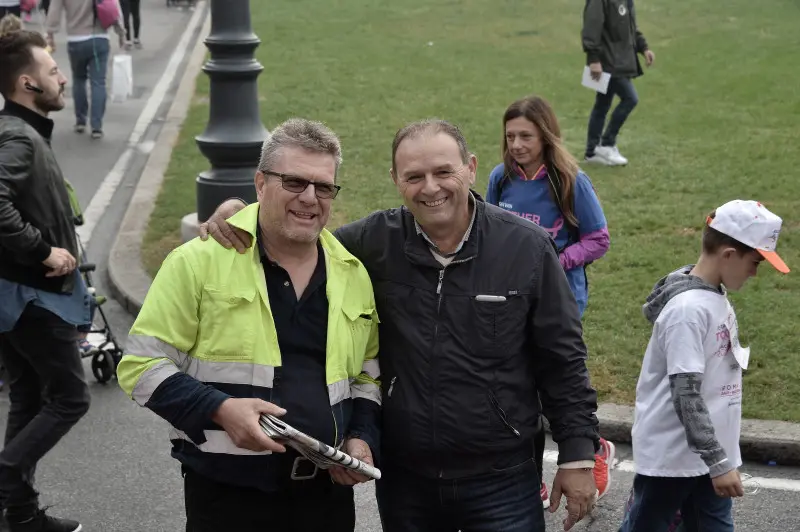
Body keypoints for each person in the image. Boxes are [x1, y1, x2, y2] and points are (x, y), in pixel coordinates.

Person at [202, 119, 602, 532]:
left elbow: (563, 360)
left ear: (471, 168)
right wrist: (240, 213)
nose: (430, 188)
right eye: (414, 176)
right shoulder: (370, 243)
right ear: (395, 180)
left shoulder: (528, 248)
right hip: (406, 482)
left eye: (443, 172)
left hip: (502, 480)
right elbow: (294, 236)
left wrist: (577, 456)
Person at [117, 119, 382, 532]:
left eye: (324, 186)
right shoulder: (198, 261)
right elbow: (141, 366)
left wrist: (362, 437)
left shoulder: (352, 272)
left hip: (325, 498)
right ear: (260, 184)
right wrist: (220, 410)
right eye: (294, 182)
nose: (310, 198)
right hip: (227, 499)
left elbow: (367, 373)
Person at [619, 200, 790, 532]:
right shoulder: (688, 311)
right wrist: (717, 460)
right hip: (675, 458)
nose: (755, 273)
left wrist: (718, 458)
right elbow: (686, 393)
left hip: (707, 456)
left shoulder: (713, 296)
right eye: (755, 262)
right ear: (728, 255)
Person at [485, 95, 613, 508]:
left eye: (526, 136)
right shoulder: (500, 179)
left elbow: (598, 239)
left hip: (560, 300)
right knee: (519, 389)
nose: (517, 145)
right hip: (511, 299)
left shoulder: (569, 181)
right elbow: (491, 231)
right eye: (510, 137)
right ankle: (534, 480)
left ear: (545, 134)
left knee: (550, 384)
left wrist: (556, 260)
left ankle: (594, 451)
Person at [0, 25, 90, 532]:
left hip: (15, 295)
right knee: (69, 398)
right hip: (31, 295)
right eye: (52, 72)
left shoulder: (24, 132)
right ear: (27, 84)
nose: (62, 79)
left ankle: (20, 514)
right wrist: (42, 252)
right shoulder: (17, 135)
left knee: (30, 397)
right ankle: (8, 480)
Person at [582, 0, 655, 166]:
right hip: (607, 62)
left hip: (620, 61)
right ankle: (607, 143)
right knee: (630, 98)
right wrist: (593, 59)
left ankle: (592, 152)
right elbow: (591, 27)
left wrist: (644, 48)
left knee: (602, 104)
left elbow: (630, 28)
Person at [44, 0, 124, 139]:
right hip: (100, 38)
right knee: (98, 82)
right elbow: (113, 6)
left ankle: (80, 120)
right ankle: (97, 126)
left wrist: (50, 33)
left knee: (79, 78)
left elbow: (54, 10)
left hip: (76, 40)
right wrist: (121, 31)